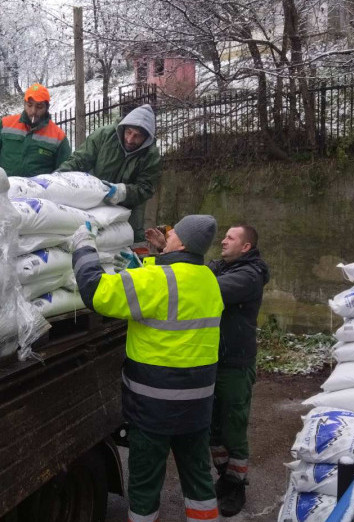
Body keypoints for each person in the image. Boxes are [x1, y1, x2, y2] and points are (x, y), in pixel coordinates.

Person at [71, 215, 223, 522]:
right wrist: (149, 262)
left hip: (154, 408)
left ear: (182, 243)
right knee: (198, 479)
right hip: (197, 406)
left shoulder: (156, 281)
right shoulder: (209, 279)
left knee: (144, 484)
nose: (168, 234)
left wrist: (83, 247)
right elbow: (173, 295)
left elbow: (96, 291)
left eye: (173, 233)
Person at [145, 223, 269, 517]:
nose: (223, 241)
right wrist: (167, 251)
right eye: (224, 236)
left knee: (233, 426)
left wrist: (171, 260)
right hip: (212, 359)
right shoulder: (219, 267)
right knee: (211, 426)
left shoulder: (249, 276)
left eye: (230, 238)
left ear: (246, 247)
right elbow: (193, 273)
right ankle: (224, 477)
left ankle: (236, 484)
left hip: (234, 365)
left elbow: (201, 287)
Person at [57, 104, 161, 242]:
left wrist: (122, 192)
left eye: (137, 136)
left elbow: (146, 188)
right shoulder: (104, 136)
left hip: (129, 207)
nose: (130, 139)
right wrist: (58, 176)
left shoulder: (151, 156)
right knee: (89, 234)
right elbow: (80, 160)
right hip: (95, 198)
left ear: (146, 138)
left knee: (129, 239)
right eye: (129, 132)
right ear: (123, 128)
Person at [0, 83, 71, 177]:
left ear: (47, 107)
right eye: (29, 105)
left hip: (38, 187)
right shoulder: (6, 124)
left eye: (39, 107)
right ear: (24, 104)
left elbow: (65, 171)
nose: (33, 111)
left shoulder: (58, 136)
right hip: (7, 184)